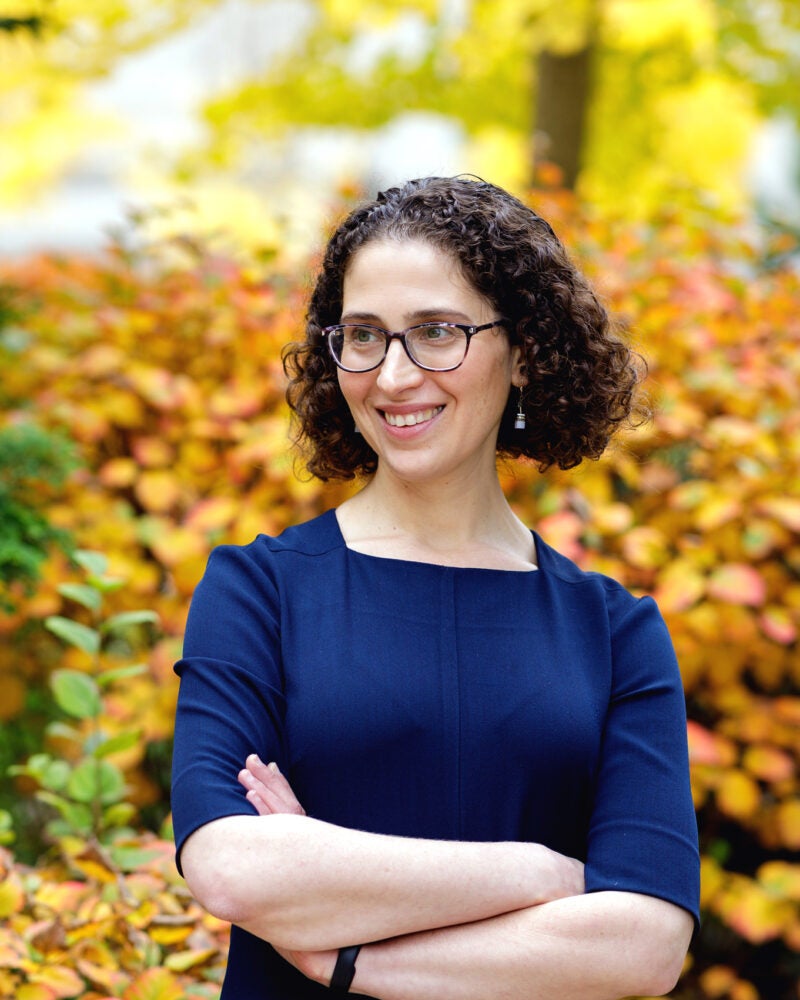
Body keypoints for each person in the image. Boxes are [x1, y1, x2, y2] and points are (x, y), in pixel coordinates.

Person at [171, 176, 700, 1000]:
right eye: (364, 336)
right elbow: (232, 865)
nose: (392, 376)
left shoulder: (615, 631)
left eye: (437, 333)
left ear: (524, 349)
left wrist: (351, 955)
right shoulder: (257, 592)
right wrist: (542, 873)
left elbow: (645, 944)